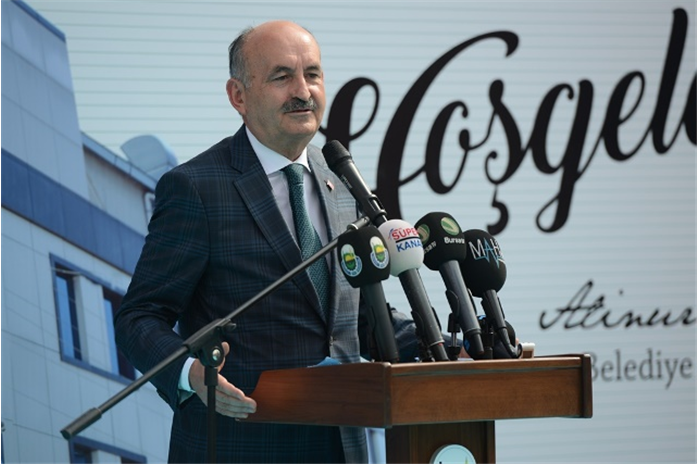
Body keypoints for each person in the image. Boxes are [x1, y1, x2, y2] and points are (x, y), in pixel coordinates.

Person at [114, 20, 420, 464]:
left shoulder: (342, 181)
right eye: (282, 76)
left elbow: (356, 319)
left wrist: (452, 346)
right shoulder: (196, 187)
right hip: (240, 444)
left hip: (342, 444)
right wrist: (191, 373)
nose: (303, 91)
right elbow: (139, 317)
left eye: (312, 74)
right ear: (238, 96)